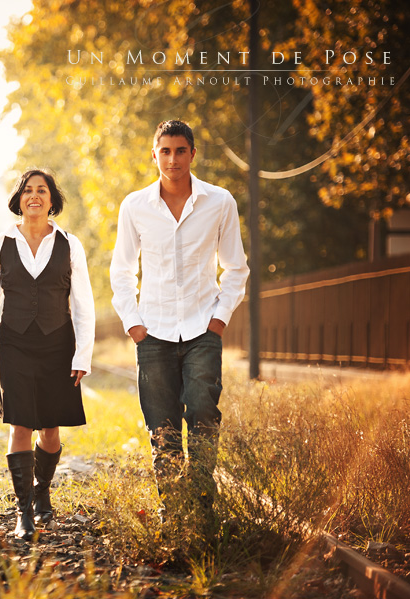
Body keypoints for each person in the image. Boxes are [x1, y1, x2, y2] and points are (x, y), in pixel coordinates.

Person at [109, 119, 249, 520]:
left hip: (203, 327)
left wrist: (219, 319)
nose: (172, 159)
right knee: (162, 424)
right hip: (152, 332)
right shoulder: (134, 207)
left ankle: (203, 506)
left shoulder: (220, 202)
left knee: (203, 413)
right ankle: (174, 511)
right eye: (165, 151)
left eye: (180, 150)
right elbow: (121, 270)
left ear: (192, 154)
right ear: (154, 155)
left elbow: (235, 268)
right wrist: (133, 323)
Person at [0, 169, 95, 540]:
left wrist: (82, 356)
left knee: (50, 430)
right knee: (20, 424)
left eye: (42, 190)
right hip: (15, 343)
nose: (34, 196)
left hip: (58, 343)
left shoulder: (71, 244)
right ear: (19, 198)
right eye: (28, 190)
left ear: (53, 200)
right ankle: (24, 513)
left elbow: (83, 304)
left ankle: (42, 490)